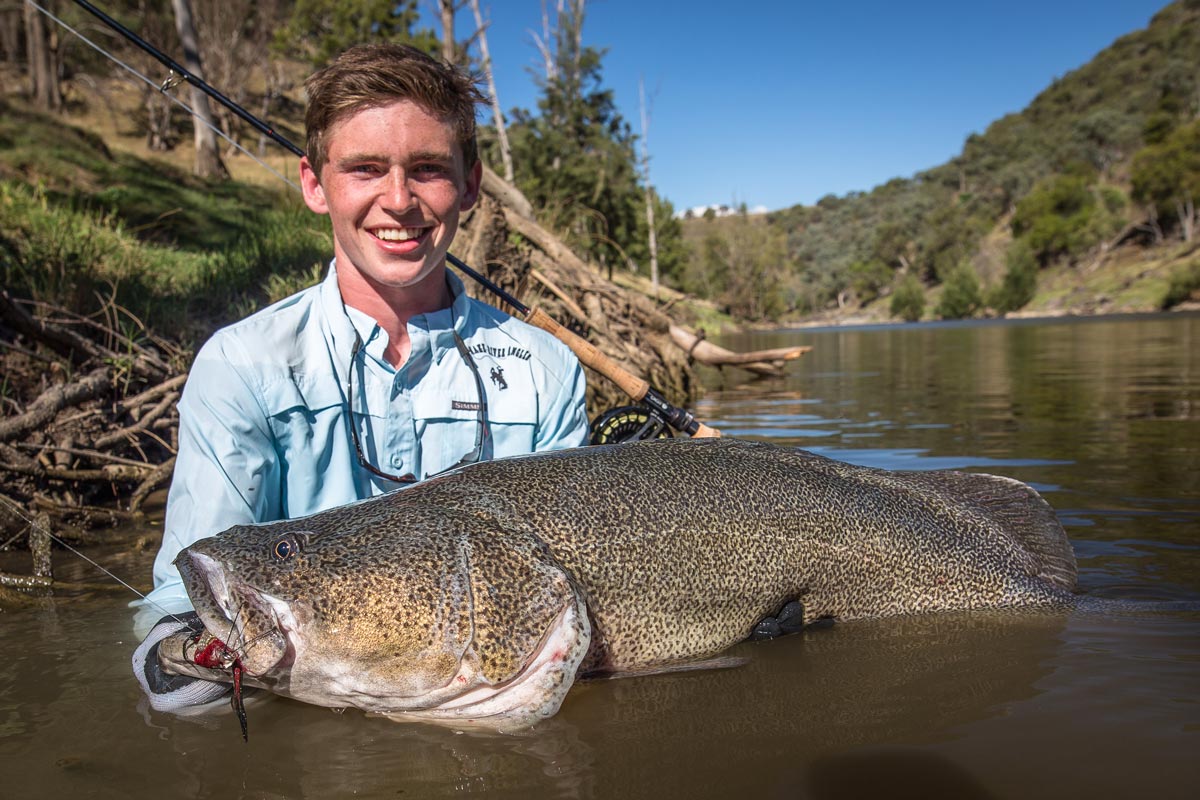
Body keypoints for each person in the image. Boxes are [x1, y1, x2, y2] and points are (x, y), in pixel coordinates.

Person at [133, 43, 589, 711]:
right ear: (315, 185)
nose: (398, 200)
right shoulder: (241, 365)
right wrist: (180, 667)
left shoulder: (546, 372)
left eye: (428, 169)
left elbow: (566, 601)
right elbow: (179, 605)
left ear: (469, 185)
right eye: (365, 169)